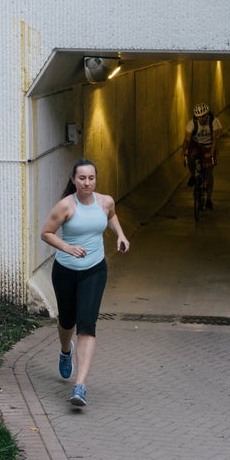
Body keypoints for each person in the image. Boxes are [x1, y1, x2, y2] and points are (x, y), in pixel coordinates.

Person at [40, 158, 130, 407]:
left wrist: (120, 235)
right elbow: (45, 232)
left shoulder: (105, 201)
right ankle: (65, 350)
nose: (87, 182)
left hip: (95, 270)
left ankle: (80, 386)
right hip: (66, 271)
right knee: (67, 320)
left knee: (87, 325)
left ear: (95, 179)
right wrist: (67, 247)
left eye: (91, 178)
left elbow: (112, 216)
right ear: (73, 180)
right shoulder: (66, 206)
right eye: (82, 178)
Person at [182, 103, 222, 209]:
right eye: (198, 117)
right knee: (190, 156)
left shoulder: (214, 122)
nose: (201, 119)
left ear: (207, 115)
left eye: (203, 116)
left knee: (208, 172)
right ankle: (193, 175)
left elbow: (214, 140)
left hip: (209, 145)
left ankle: (208, 198)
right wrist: (184, 153)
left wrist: (211, 153)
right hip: (196, 145)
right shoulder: (191, 124)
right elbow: (186, 140)